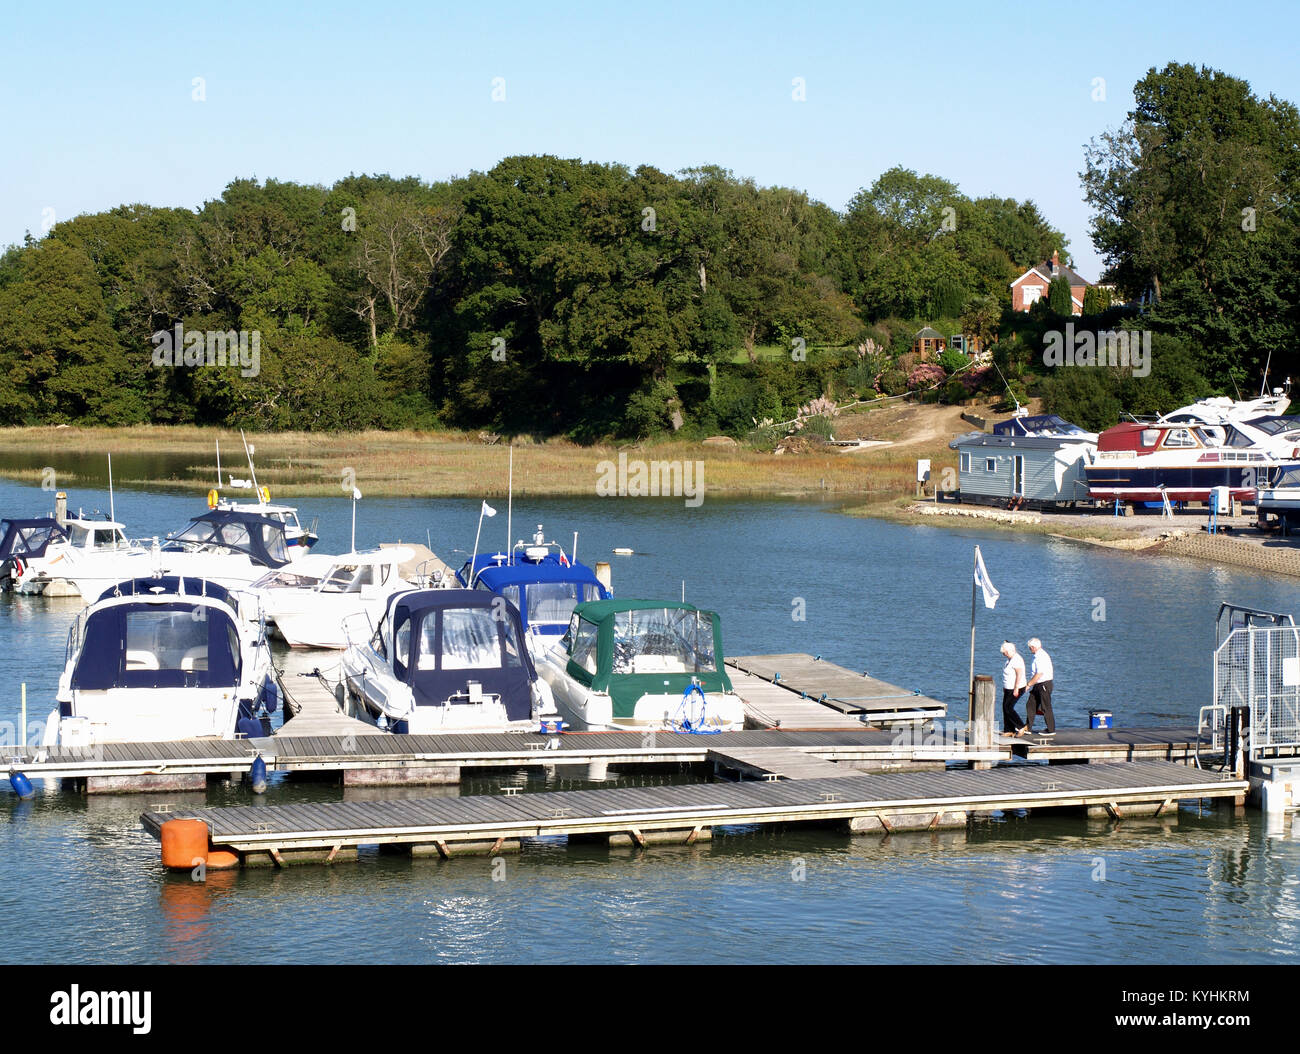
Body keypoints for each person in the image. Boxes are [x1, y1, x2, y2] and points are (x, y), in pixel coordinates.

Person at [1022, 637, 1056, 736]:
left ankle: (1051, 729)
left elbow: (1039, 674)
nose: (1029, 649)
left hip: (1044, 684)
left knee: (1046, 707)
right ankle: (1028, 727)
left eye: (1030, 648)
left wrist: (1028, 684)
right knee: (1030, 704)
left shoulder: (1041, 657)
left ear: (1033, 647)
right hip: (1038, 685)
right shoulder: (1037, 655)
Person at [999, 641, 1027, 738]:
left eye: (1005, 652)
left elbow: (1019, 674)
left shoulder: (1016, 659)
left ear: (1010, 651)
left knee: (1008, 708)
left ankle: (1021, 726)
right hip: (1008, 688)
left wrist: (1016, 688)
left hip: (1016, 688)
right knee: (1004, 707)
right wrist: (1004, 687)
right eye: (1003, 653)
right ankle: (1009, 729)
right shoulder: (1009, 660)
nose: (1004, 654)